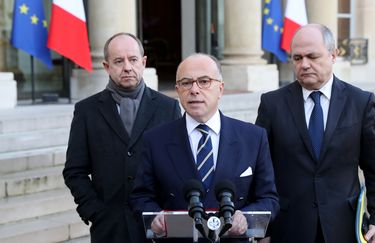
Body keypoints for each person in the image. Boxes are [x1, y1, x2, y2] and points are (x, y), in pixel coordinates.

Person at [255, 24, 375, 243]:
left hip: (344, 227)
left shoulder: (361, 102)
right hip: (288, 227)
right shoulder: (272, 104)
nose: (304, 64)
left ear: (333, 55)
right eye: (297, 58)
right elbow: (260, 169)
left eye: (312, 56)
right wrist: (262, 228)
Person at [130, 53, 279, 242]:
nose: (194, 89)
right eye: (186, 83)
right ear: (177, 90)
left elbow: (269, 200)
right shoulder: (155, 140)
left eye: (204, 81)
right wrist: (154, 216)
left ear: (220, 88)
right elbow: (140, 197)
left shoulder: (253, 137)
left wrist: (245, 217)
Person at [63, 32, 182, 243]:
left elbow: (178, 166)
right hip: (109, 228)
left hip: (158, 227)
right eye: (118, 61)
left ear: (143, 62)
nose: (127, 67)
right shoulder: (86, 111)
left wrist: (167, 212)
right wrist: (94, 211)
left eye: (133, 60)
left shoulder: (168, 108)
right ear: (107, 66)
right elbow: (75, 171)